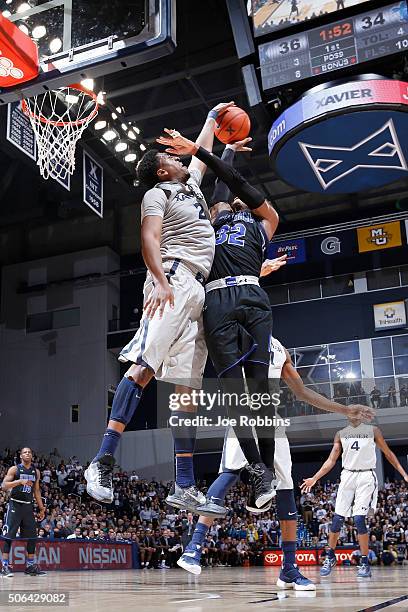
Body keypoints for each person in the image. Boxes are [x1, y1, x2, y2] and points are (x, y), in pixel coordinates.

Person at [85, 102, 234, 513]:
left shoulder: (191, 186)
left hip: (197, 290)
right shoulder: (157, 192)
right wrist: (162, 281)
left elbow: (203, 151)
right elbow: (149, 237)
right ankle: (101, 461)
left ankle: (183, 484)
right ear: (162, 170)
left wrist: (211, 120)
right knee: (145, 368)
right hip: (173, 278)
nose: (180, 157)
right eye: (172, 157)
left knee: (185, 389)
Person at [176, 336, 374, 589]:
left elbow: (302, 392)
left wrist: (345, 410)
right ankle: (194, 547)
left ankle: (289, 569)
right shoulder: (235, 333)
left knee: (286, 488)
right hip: (243, 413)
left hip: (273, 421)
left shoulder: (279, 347)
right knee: (228, 475)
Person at [156, 130, 286, 508]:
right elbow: (219, 190)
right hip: (217, 302)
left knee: (261, 391)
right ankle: (259, 472)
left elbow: (235, 182)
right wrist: (225, 149)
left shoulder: (266, 220)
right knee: (235, 394)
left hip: (251, 296)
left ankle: (265, 473)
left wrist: (212, 153)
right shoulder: (213, 223)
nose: (228, 199)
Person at [301, 420, 408, 578]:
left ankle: (364, 562)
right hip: (347, 475)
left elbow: (388, 453)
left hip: (366, 475)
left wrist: (404, 473)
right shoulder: (341, 434)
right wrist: (315, 478)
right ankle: (330, 557)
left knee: (359, 519)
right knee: (337, 520)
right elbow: (331, 460)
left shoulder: (373, 431)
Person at [1, 447, 46, 577]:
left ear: (32, 456)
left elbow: (36, 491)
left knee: (32, 537)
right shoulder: (14, 469)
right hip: (15, 505)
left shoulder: (36, 472)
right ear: (21, 456)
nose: (27, 454)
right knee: (9, 536)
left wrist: (41, 507)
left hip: (28, 507)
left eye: (29, 452)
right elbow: (4, 486)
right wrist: (19, 481)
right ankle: (5, 566)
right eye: (25, 452)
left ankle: (30, 566)